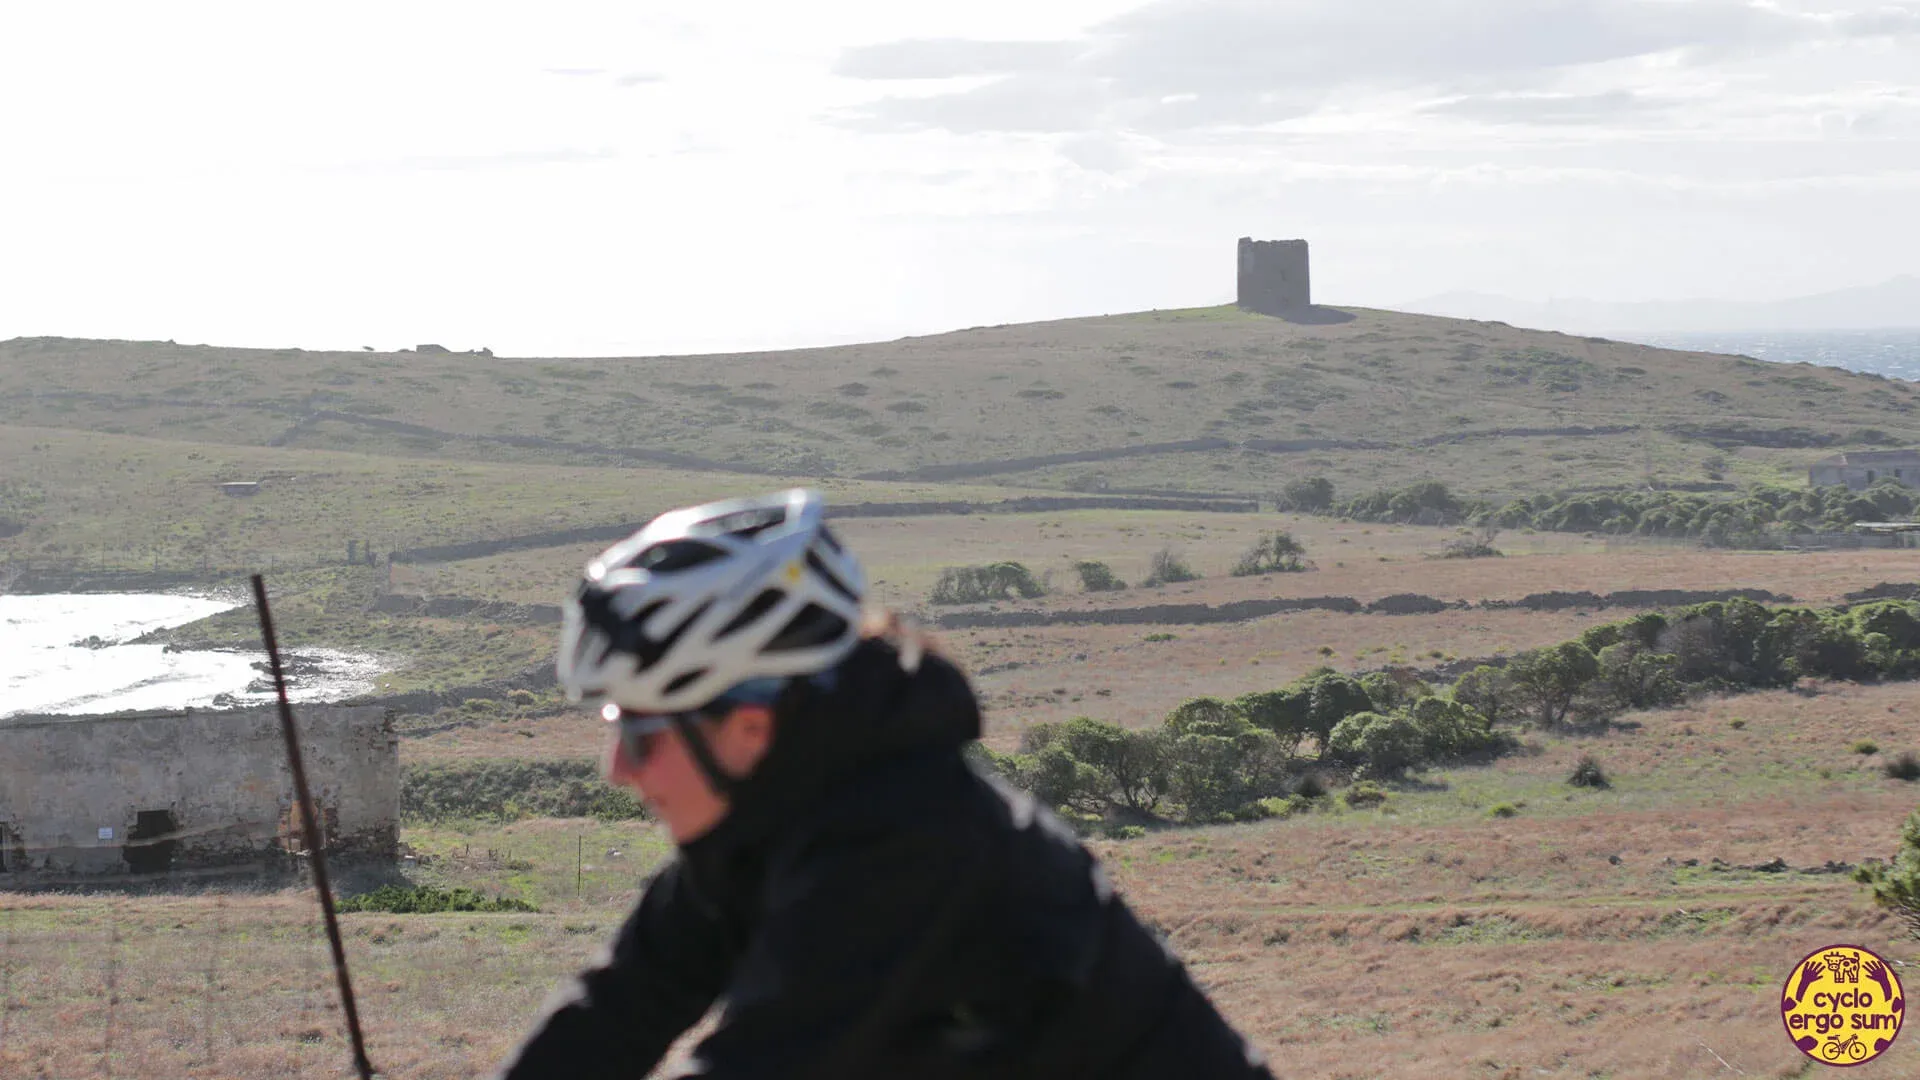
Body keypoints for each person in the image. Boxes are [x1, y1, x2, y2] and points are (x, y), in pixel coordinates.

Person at [494, 488, 1274, 1079]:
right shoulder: (774, 812)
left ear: (750, 726)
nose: (619, 769)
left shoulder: (904, 844)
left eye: (640, 733)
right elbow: (622, 1006)